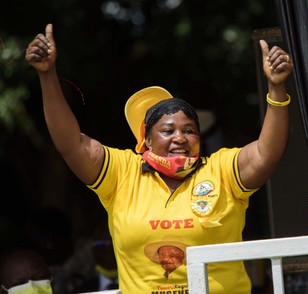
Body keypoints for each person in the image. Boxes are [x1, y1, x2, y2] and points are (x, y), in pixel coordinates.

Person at [25, 23, 292, 293]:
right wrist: (48, 76)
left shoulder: (220, 170)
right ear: (147, 140)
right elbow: (71, 144)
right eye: (168, 131)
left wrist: (276, 88)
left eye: (189, 130)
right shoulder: (123, 173)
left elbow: (266, 154)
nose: (180, 137)